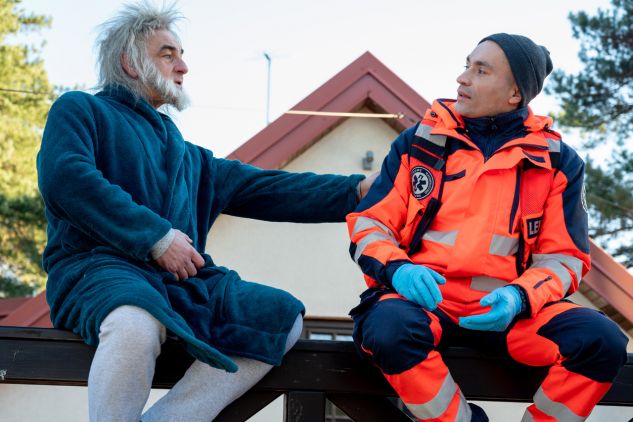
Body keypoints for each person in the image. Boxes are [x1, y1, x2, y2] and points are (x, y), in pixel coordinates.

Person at [36, 2, 372, 421]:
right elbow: (66, 178)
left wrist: (358, 191)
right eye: (168, 53)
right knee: (135, 325)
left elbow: (270, 188)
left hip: (180, 285)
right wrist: (157, 238)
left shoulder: (190, 158)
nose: (184, 66)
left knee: (278, 318)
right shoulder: (81, 110)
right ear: (130, 63)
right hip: (96, 272)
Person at [346, 33, 628, 421]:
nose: (462, 78)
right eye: (466, 65)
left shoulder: (559, 162)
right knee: (388, 330)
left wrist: (519, 298)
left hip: (513, 315)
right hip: (423, 305)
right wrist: (399, 270)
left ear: (515, 93)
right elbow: (370, 224)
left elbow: (565, 258)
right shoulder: (419, 144)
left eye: (480, 70)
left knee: (602, 341)